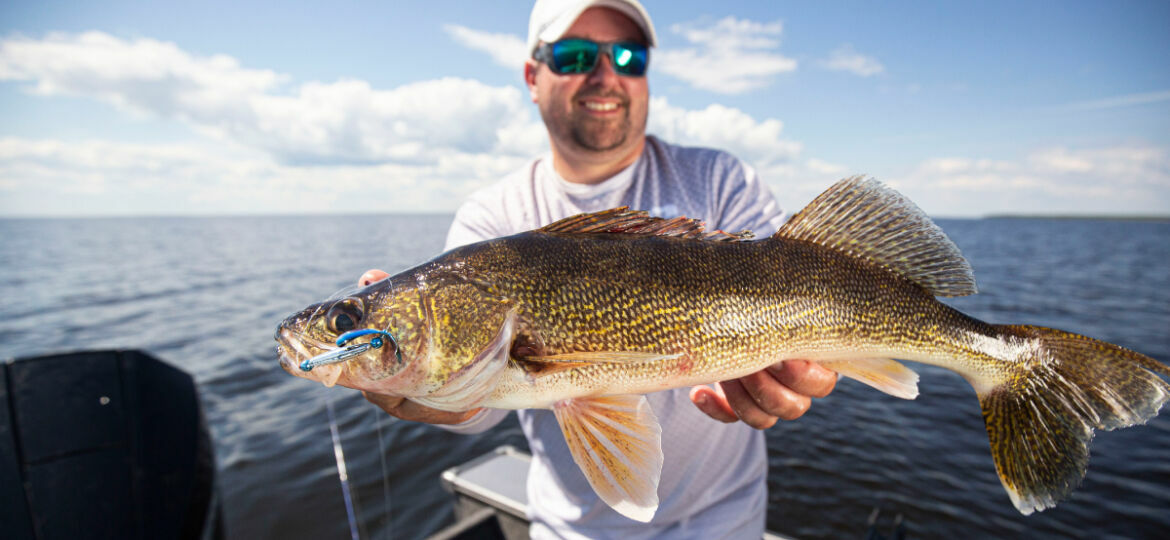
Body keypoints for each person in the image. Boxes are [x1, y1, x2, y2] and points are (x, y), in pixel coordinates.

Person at [360, 1, 838, 537]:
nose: (606, 74)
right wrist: (433, 392)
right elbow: (487, 404)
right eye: (575, 54)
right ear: (532, 76)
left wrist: (793, 370)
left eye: (629, 56)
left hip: (725, 519)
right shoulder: (493, 217)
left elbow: (805, 281)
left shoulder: (720, 179)